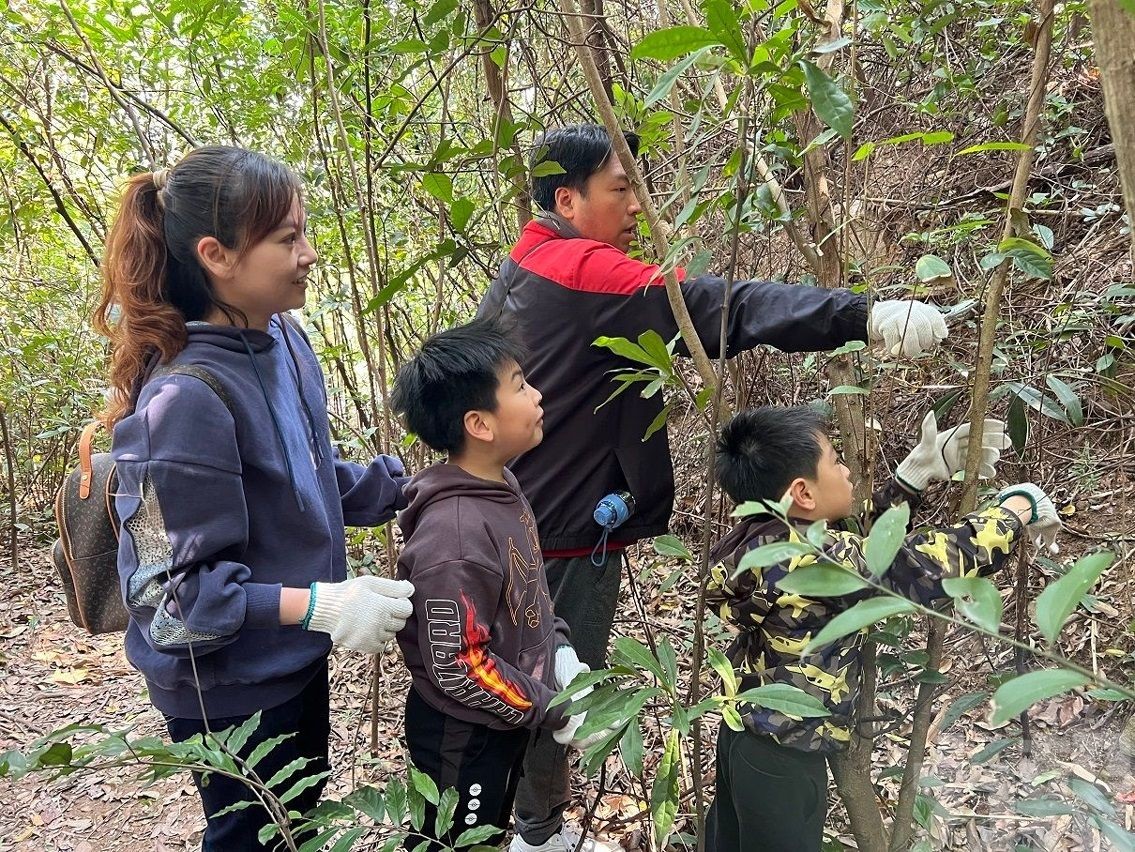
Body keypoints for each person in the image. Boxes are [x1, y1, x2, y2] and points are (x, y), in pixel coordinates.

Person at [476, 122, 952, 852]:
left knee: (538, 677)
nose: (636, 203)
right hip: (562, 535)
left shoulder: (525, 261)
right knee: (558, 687)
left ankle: (527, 827)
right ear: (567, 199)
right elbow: (719, 305)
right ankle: (534, 835)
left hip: (535, 515)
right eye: (619, 187)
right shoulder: (583, 271)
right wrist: (862, 315)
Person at [97, 146, 416, 850]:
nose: (307, 254)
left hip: (290, 655)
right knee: (252, 835)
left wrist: (408, 489)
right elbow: (173, 603)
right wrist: (324, 604)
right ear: (216, 255)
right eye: (286, 239)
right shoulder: (181, 402)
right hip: (226, 689)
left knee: (295, 822)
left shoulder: (283, 340)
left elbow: (302, 478)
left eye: (303, 231)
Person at [703, 405, 1060, 852]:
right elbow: (921, 566)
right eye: (835, 461)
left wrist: (911, 479)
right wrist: (1014, 511)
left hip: (744, 739)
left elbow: (860, 551)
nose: (847, 470)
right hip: (785, 763)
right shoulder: (810, 561)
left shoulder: (762, 542)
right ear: (803, 493)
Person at [391, 318, 601, 850]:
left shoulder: (502, 486)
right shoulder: (455, 536)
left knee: (489, 831)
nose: (536, 396)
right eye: (520, 386)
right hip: (463, 736)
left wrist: (556, 647)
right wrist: (553, 707)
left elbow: (527, 591)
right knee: (456, 840)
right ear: (480, 425)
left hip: (504, 719)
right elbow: (459, 664)